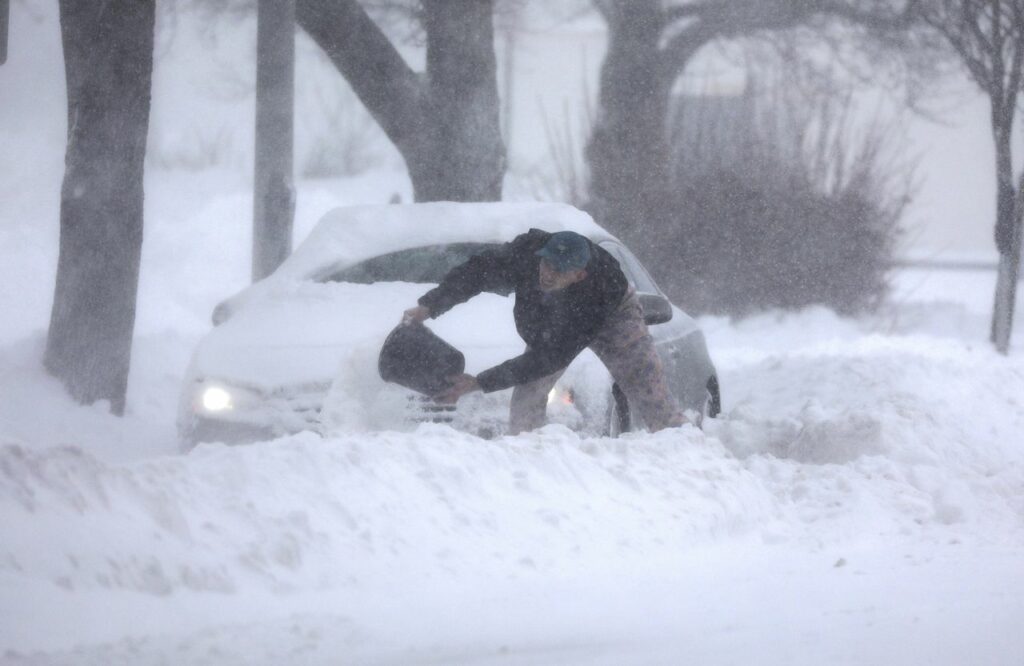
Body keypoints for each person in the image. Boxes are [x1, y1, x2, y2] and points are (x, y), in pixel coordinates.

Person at [402, 229, 685, 434]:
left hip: (614, 315)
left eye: (559, 270)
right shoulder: (525, 253)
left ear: (578, 274)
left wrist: (479, 382)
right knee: (526, 399)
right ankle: (531, 463)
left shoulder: (597, 292)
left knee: (648, 388)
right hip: (554, 322)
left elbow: (549, 358)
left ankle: (680, 448)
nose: (548, 274)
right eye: (547, 264)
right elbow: (475, 273)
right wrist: (430, 306)